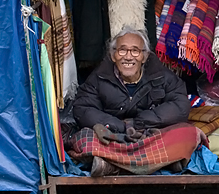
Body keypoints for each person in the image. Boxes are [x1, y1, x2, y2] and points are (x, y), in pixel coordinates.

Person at [72, 25, 194, 176]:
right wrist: (118, 126)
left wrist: (139, 123)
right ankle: (160, 162)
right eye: (122, 50)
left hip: (150, 134)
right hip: (114, 136)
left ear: (145, 56)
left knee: (187, 133)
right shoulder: (99, 78)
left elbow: (180, 105)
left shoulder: (161, 76)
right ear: (113, 55)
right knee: (83, 137)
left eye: (135, 51)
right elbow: (83, 108)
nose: (128, 57)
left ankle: (113, 164)